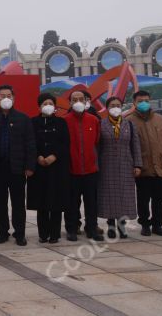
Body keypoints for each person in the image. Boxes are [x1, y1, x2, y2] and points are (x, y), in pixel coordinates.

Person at [0, 85, 36, 246]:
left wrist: (30, 166)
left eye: (9, 95)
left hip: (17, 168)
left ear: (14, 98)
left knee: (18, 203)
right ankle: (3, 232)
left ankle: (19, 233)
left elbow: (30, 144)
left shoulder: (23, 118)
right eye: (2, 96)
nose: (5, 98)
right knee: (0, 203)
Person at [127, 90, 162, 236]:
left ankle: (157, 224)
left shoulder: (159, 119)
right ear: (134, 103)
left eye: (146, 100)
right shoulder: (129, 121)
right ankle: (144, 224)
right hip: (142, 167)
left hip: (160, 166)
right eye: (140, 100)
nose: (144, 103)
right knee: (143, 199)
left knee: (159, 199)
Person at [28, 93, 70, 244]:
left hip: (57, 167)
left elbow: (65, 143)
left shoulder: (61, 123)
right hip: (39, 167)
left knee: (56, 201)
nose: (48, 106)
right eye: (45, 103)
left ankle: (55, 234)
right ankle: (43, 234)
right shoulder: (32, 122)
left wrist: (54, 156)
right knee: (42, 202)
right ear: (39, 106)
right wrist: (38, 157)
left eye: (50, 103)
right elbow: (30, 142)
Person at [97, 97, 142, 239]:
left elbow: (135, 145)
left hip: (125, 164)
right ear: (107, 107)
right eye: (112, 105)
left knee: (124, 196)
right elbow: (97, 146)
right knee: (109, 196)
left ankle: (122, 226)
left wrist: (137, 164)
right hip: (106, 165)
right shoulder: (101, 124)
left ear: (122, 107)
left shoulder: (129, 124)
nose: (115, 107)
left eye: (118, 105)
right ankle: (110, 225)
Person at [64, 90, 104, 242]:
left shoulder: (94, 120)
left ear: (87, 101)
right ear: (70, 102)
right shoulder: (65, 121)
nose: (78, 101)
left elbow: (97, 143)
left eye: (81, 99)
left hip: (90, 169)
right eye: (75, 99)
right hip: (71, 170)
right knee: (72, 202)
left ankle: (92, 228)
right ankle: (72, 229)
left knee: (91, 202)